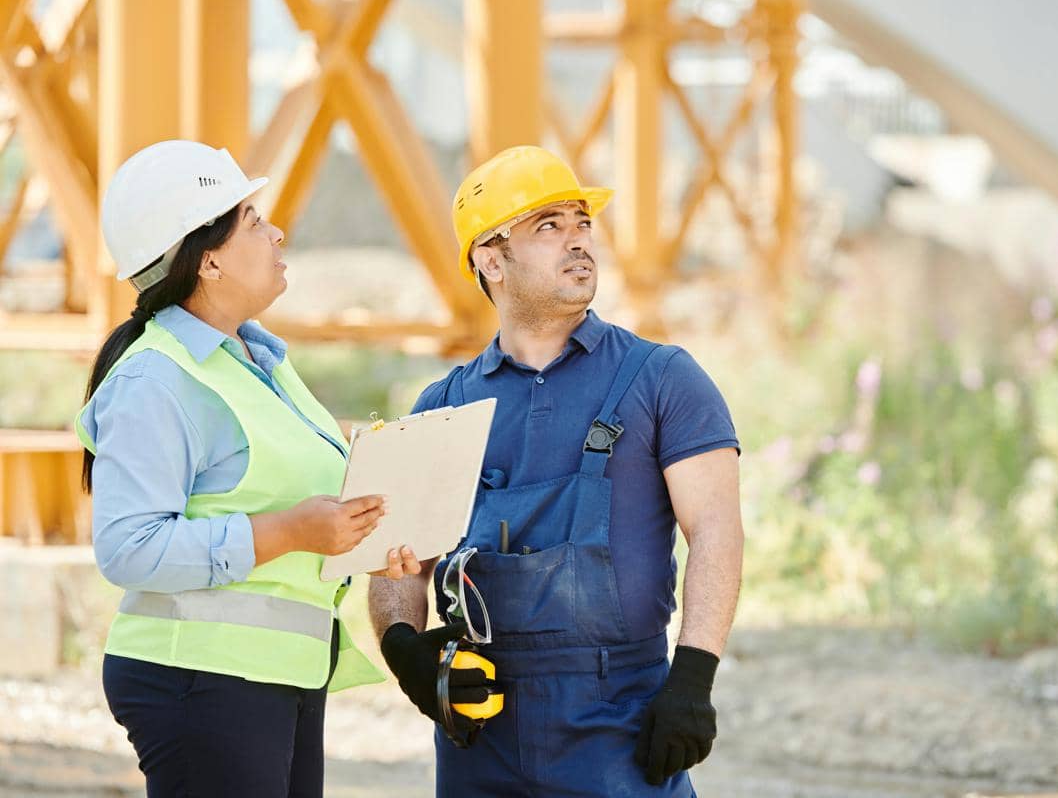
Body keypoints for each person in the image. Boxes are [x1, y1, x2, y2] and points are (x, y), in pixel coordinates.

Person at [369, 145, 744, 796]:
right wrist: (405, 648)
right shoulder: (442, 407)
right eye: (548, 227)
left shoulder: (662, 379)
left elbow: (715, 528)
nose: (578, 242)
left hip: (622, 715)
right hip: (481, 726)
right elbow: (395, 560)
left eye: (582, 224)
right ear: (491, 260)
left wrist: (693, 676)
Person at [76, 139, 422, 798]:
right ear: (208, 260)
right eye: (254, 221)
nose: (277, 232)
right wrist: (289, 533)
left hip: (277, 676)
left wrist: (360, 538)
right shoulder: (157, 376)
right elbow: (127, 547)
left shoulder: (262, 363)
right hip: (200, 681)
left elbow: (287, 504)